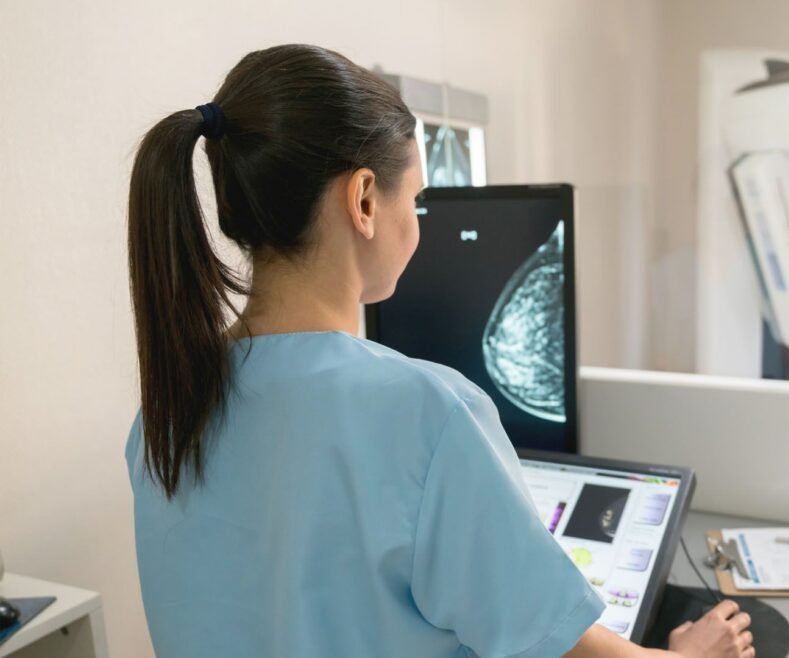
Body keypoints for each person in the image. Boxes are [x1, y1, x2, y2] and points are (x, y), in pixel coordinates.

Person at [125, 44, 755, 658]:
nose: (419, 220)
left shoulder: (165, 416)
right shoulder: (428, 414)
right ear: (365, 200)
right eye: (417, 198)